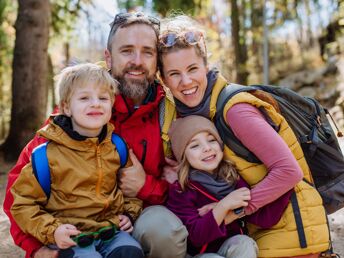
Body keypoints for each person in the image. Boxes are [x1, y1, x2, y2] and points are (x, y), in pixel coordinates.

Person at [3, 12, 187, 258]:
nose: (137, 61)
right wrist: (36, 249)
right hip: (76, 230)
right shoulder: (79, 107)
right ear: (108, 57)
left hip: (134, 224)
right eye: (127, 50)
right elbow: (18, 193)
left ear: (157, 62)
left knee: (163, 231)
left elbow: (192, 193)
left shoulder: (171, 113)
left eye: (147, 52)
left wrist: (146, 186)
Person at [158, 15, 330, 257]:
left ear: (206, 67)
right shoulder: (195, 114)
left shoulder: (235, 110)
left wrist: (230, 210)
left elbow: (289, 171)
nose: (186, 81)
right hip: (258, 234)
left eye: (193, 68)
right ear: (162, 79)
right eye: (174, 73)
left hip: (290, 235)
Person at [10, 63, 144, 258]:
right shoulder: (46, 154)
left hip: (110, 232)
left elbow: (130, 191)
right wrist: (52, 230)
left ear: (112, 104)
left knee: (131, 251)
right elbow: (22, 204)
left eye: (103, 98)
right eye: (84, 98)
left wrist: (129, 214)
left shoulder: (117, 146)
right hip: (70, 237)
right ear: (66, 107)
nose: (96, 103)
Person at [167, 115, 258, 258]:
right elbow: (196, 237)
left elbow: (265, 217)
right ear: (183, 156)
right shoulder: (181, 190)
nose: (207, 148)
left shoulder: (233, 177)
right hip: (201, 254)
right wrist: (223, 205)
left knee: (244, 242)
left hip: (230, 248)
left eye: (211, 140)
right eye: (195, 145)